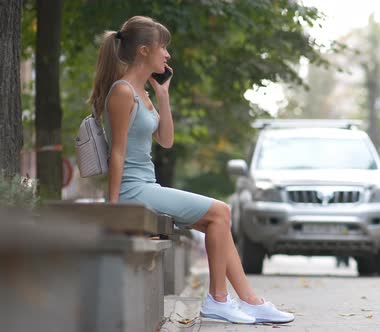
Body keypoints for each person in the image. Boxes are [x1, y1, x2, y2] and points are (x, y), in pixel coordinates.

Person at [88, 16, 294, 325]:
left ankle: (250, 301)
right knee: (221, 211)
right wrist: (115, 207)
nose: (168, 55)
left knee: (218, 221)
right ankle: (219, 300)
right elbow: (116, 152)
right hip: (134, 190)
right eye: (163, 48)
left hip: (148, 186)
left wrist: (163, 95)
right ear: (144, 51)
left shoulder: (143, 93)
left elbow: (166, 140)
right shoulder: (122, 92)